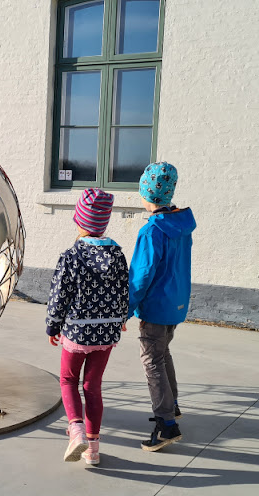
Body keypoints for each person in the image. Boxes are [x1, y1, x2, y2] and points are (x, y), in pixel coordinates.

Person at [46, 188, 129, 466]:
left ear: (79, 221)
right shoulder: (117, 254)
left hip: (78, 331)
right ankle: (93, 450)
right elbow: (123, 291)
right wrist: (120, 319)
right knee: (93, 386)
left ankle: (76, 431)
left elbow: (60, 295)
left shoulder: (72, 256)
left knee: (68, 379)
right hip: (106, 332)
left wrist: (53, 326)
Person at [128, 162, 197, 452]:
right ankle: (173, 403)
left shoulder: (152, 231)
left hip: (156, 308)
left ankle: (166, 424)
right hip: (175, 305)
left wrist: (127, 307)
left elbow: (142, 275)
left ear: (148, 195)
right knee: (162, 352)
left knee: (152, 361)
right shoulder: (181, 225)